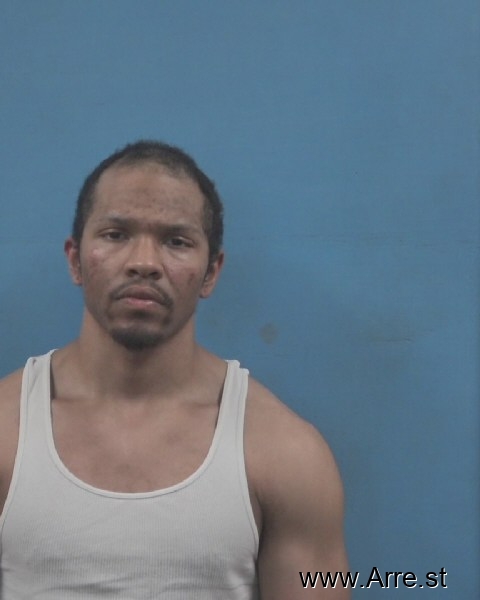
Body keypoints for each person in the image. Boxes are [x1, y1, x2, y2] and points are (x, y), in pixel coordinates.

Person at [0, 140, 349, 599]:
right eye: (116, 234)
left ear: (211, 273)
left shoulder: (286, 454)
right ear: (75, 260)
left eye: (176, 241)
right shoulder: (6, 431)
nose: (144, 262)